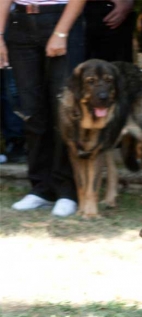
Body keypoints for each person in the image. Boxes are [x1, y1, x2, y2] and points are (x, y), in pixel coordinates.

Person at [1, 0, 86, 217]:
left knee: (63, 112)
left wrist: (61, 32)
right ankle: (41, 188)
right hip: (20, 22)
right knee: (32, 112)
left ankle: (67, 191)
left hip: (60, 18)